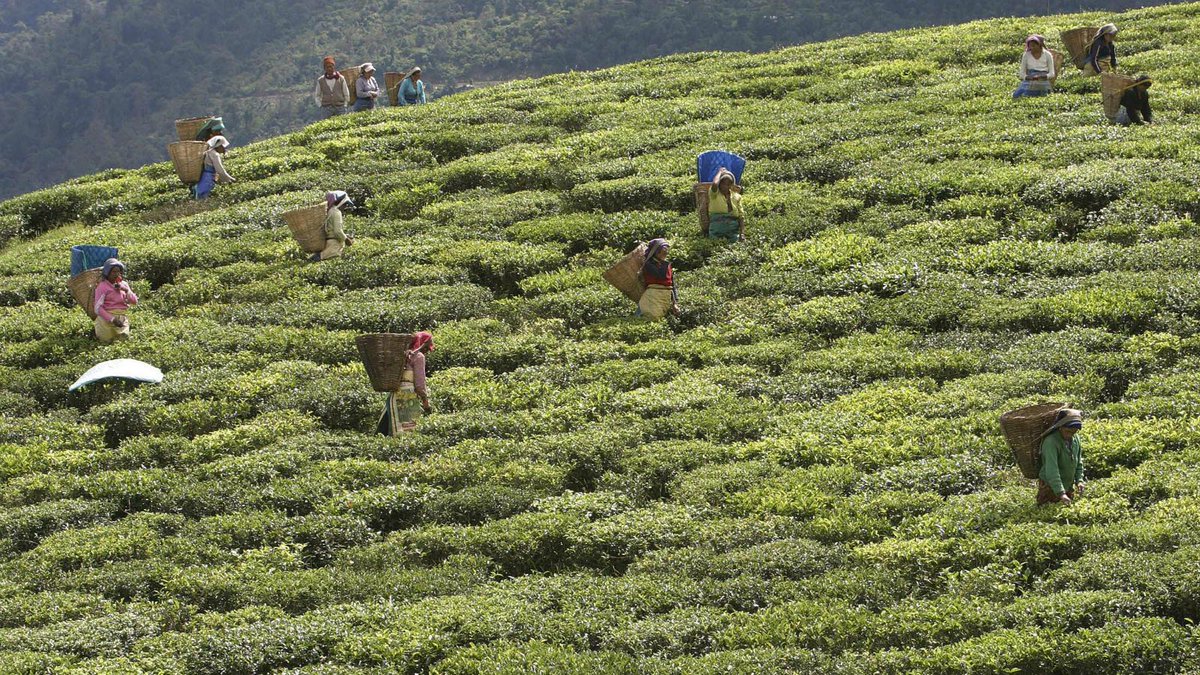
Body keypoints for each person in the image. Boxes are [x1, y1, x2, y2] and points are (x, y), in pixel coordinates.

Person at [377, 331, 434, 435]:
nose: (426, 352)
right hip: (409, 398)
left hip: (393, 397)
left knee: (388, 431)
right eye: (426, 348)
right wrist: (426, 402)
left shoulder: (400, 355)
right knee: (408, 433)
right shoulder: (419, 357)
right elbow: (419, 385)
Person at [1037, 409, 1084, 505]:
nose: (1070, 435)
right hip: (1050, 487)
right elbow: (1052, 470)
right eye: (1068, 431)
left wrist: (1079, 480)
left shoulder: (1076, 439)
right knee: (1048, 514)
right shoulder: (1051, 442)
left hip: (1068, 485)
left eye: (1074, 432)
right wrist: (1061, 493)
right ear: (1060, 427)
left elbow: (1078, 462)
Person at [93, 258, 138, 343]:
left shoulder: (124, 284)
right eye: (113, 272)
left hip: (121, 319)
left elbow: (134, 301)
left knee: (122, 342)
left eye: (118, 272)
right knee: (106, 343)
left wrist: (126, 290)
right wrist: (112, 319)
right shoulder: (102, 286)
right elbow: (97, 308)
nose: (116, 274)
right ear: (107, 272)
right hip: (105, 321)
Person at [637, 238, 679, 320]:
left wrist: (675, 303)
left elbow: (671, 285)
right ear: (656, 251)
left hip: (665, 297)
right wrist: (664, 262)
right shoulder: (648, 264)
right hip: (652, 296)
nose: (666, 252)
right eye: (663, 249)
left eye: (666, 249)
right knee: (651, 318)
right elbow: (660, 275)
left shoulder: (666, 265)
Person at [310, 191, 355, 262]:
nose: (345, 207)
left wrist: (345, 235)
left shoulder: (328, 211)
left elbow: (330, 229)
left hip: (327, 242)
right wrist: (347, 240)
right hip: (334, 245)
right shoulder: (336, 212)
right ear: (341, 202)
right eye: (345, 204)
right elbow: (337, 231)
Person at [706, 168, 745, 242]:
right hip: (716, 229)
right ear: (719, 183)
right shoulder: (714, 194)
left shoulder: (737, 196)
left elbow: (741, 216)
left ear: (731, 185)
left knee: (734, 245)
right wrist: (720, 172)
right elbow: (714, 184)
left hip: (732, 230)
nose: (725, 186)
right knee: (715, 245)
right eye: (723, 183)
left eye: (728, 184)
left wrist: (742, 233)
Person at [194, 135, 235, 199]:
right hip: (208, 179)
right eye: (222, 146)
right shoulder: (215, 155)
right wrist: (230, 179)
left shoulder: (209, 152)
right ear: (219, 146)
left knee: (201, 196)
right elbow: (220, 171)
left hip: (203, 178)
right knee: (206, 197)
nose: (224, 149)